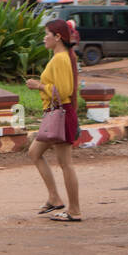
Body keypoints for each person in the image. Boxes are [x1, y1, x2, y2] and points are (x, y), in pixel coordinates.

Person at [25, 19, 83, 222]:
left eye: (47, 34)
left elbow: (64, 91)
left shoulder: (60, 58)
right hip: (57, 113)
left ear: (58, 37)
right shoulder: (62, 56)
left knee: (66, 164)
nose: (44, 38)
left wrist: (38, 86)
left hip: (61, 113)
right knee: (34, 152)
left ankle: (74, 210)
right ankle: (54, 197)